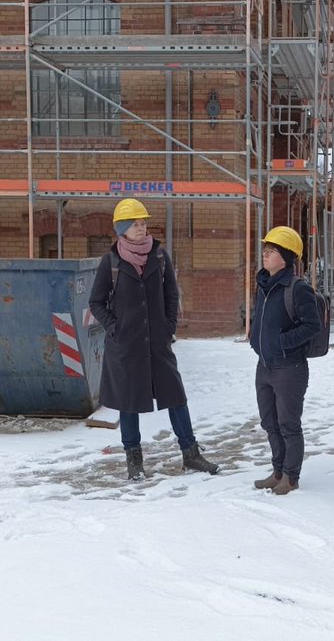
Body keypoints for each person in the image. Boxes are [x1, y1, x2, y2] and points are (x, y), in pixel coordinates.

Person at [88, 198, 219, 480]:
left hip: (158, 343)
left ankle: (191, 454)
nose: (141, 228)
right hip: (126, 346)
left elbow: (171, 295)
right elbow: (96, 302)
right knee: (128, 403)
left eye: (143, 223)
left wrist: (168, 327)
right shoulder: (111, 261)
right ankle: (134, 461)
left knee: (175, 396)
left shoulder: (159, 256)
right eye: (135, 224)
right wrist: (115, 327)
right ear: (122, 229)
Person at [249, 225, 322, 495]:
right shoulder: (264, 285)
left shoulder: (297, 288)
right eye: (265, 250)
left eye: (272, 251)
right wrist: (255, 338)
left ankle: (291, 477)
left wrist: (281, 342)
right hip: (264, 365)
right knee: (269, 422)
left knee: (288, 424)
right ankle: (277, 470)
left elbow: (312, 326)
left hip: (289, 367)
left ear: (287, 257)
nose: (265, 255)